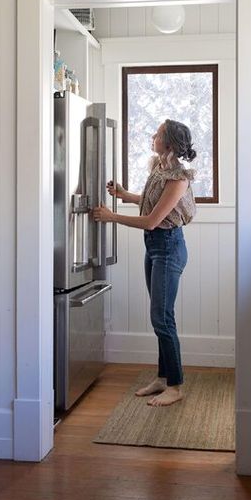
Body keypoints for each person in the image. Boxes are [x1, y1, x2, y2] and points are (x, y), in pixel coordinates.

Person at [92, 119, 197, 407]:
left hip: (168, 247)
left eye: (158, 133)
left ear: (170, 143)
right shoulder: (159, 169)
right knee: (161, 316)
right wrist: (125, 195)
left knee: (161, 318)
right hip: (155, 247)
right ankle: (163, 378)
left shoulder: (179, 177)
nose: (153, 136)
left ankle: (175, 386)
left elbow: (152, 221)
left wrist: (111, 216)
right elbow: (153, 203)